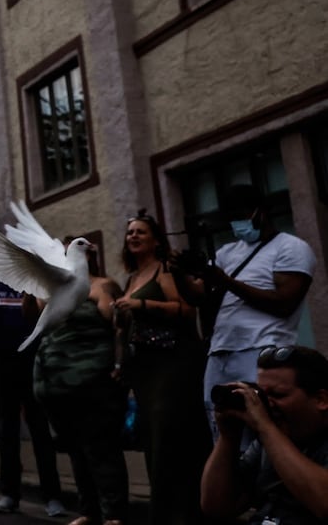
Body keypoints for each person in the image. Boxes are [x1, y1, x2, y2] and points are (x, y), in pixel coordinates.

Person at [176, 184, 316, 436]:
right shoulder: (228, 251)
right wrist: (178, 272)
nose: (236, 223)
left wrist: (226, 281)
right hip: (220, 351)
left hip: (261, 350)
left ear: (260, 211)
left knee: (263, 427)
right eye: (231, 217)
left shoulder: (291, 247)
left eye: (240, 215)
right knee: (221, 429)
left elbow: (285, 303)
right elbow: (198, 294)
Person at [113, 211, 209, 525]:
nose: (134, 237)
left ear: (155, 240)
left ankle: (184, 512)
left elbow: (186, 310)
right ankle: (166, 512)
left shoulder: (164, 270)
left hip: (173, 362)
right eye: (130, 233)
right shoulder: (131, 278)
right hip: (144, 368)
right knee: (152, 438)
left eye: (141, 232)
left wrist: (141, 305)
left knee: (169, 436)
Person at [34, 246, 128, 525]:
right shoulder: (53, 289)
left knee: (101, 448)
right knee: (76, 450)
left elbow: (119, 328)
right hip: (58, 384)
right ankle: (89, 511)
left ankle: (114, 514)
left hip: (94, 381)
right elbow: (37, 318)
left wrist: (121, 365)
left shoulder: (103, 286)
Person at [0, 275, 68, 517]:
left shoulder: (33, 282)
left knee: (40, 431)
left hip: (31, 363)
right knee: (7, 432)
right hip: (2, 366)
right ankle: (10, 494)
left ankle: (53, 496)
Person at [200, 344, 328, 524]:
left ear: (321, 400)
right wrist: (229, 437)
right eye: (261, 394)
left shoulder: (269, 432)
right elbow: (217, 506)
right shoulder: (269, 439)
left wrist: (265, 427)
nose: (266, 405)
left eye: (278, 395)